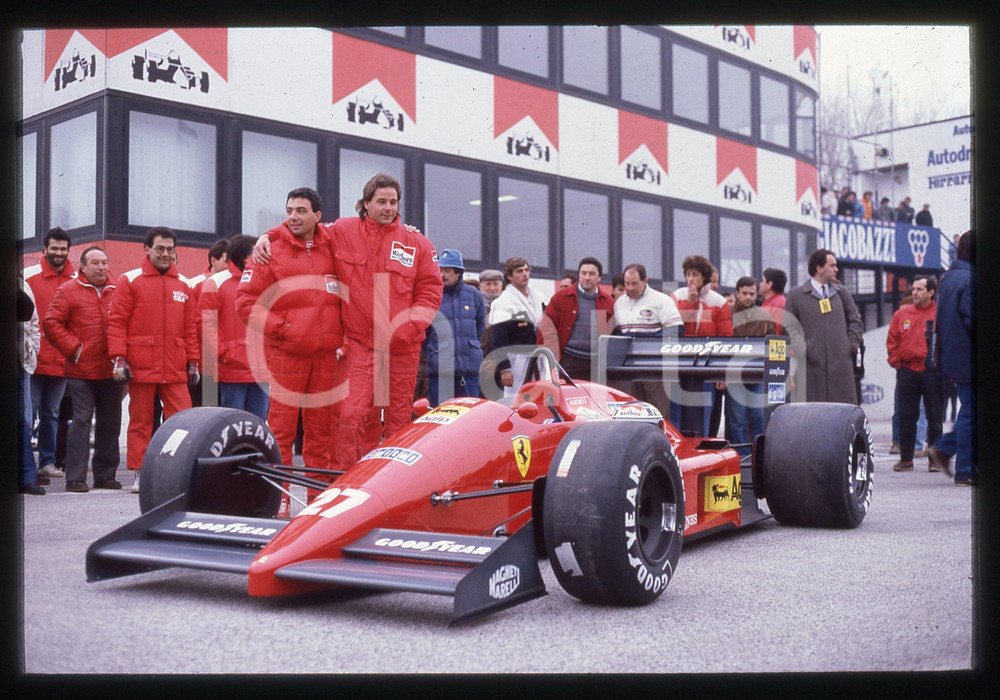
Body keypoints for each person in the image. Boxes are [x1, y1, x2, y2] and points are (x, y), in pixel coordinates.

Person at [252, 174, 442, 471]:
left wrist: (410, 328)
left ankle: (390, 486)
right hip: (360, 345)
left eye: (393, 202)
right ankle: (348, 480)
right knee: (350, 417)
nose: (388, 208)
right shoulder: (342, 230)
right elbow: (302, 224)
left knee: (396, 423)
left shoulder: (416, 242)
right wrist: (269, 235)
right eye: (381, 201)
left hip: (402, 349)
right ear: (366, 204)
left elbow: (431, 289)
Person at [238, 189, 345, 514]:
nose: (293, 216)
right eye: (289, 210)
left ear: (318, 215)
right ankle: (279, 499)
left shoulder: (333, 247)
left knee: (321, 434)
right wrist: (282, 328)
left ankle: (317, 500)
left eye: (301, 210)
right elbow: (244, 302)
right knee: (281, 430)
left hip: (327, 358)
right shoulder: (269, 251)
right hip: (287, 355)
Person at [108, 227, 200, 494]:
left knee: (182, 421)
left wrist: (193, 362)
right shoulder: (130, 280)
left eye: (170, 249)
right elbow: (117, 322)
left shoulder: (183, 283)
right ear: (146, 248)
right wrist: (119, 359)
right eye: (159, 248)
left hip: (174, 366)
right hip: (140, 365)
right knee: (141, 421)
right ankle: (140, 473)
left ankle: (179, 473)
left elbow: (190, 328)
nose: (165, 254)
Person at [43, 246, 124, 492]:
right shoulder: (68, 291)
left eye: (104, 263)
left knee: (111, 422)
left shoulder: (118, 291)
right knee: (81, 421)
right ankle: (75, 477)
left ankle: (105, 475)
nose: (101, 268)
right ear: (83, 267)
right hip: (80, 371)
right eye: (96, 263)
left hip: (111, 370)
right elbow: (51, 323)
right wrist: (75, 349)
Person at [197, 235, 269, 421]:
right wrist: (225, 353)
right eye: (256, 253)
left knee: (258, 426)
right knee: (232, 425)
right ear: (245, 257)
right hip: (232, 370)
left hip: (261, 370)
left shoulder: (265, 281)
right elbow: (205, 324)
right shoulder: (216, 282)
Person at [25, 227, 76, 483]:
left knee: (52, 414)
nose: (58, 253)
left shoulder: (76, 278)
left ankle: (47, 463)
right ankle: (24, 466)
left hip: (62, 362)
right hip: (33, 362)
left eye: (62, 249)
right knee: (28, 413)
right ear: (44, 249)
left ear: (68, 251)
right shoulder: (29, 277)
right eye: (54, 248)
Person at [782, 248, 864, 404]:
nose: (836, 269)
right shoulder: (796, 295)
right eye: (832, 265)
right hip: (810, 368)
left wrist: (850, 345)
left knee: (841, 416)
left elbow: (856, 322)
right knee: (811, 415)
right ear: (819, 268)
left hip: (841, 368)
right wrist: (804, 348)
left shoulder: (842, 293)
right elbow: (788, 326)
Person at [927, 230, 976, 485]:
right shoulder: (971, 279)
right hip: (971, 356)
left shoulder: (948, 278)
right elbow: (973, 320)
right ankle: (965, 469)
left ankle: (945, 449)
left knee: (970, 410)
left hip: (954, 355)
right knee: (971, 412)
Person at [886, 275, 943, 473]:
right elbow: (892, 340)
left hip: (932, 373)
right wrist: (897, 363)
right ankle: (906, 460)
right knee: (906, 416)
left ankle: (934, 461)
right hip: (908, 371)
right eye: (914, 289)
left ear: (931, 292)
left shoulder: (940, 313)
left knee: (934, 417)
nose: (915, 293)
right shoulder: (901, 314)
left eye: (920, 289)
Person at [671, 255, 732, 435]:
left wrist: (723, 373)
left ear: (704, 277)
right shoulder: (677, 297)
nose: (690, 279)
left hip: (707, 366)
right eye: (688, 274)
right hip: (680, 364)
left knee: (703, 413)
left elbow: (725, 338)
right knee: (677, 413)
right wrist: (689, 303)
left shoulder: (719, 302)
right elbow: (674, 327)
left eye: (695, 275)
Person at [422, 249, 486, 406]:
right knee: (441, 415)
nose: (442, 275)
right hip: (441, 370)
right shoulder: (431, 295)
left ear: (459, 273)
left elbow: (479, 328)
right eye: (440, 270)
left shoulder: (474, 296)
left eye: (447, 271)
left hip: (468, 369)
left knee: (468, 415)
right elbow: (424, 332)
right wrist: (434, 352)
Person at [538, 256, 615, 381]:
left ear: (599, 278)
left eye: (592, 274)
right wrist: (555, 361)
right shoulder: (561, 298)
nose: (587, 277)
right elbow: (547, 330)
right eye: (583, 273)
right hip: (568, 361)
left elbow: (612, 334)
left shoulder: (608, 302)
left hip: (596, 364)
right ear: (579, 275)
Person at [725, 276, 776, 457]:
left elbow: (772, 345)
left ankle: (756, 458)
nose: (748, 297)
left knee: (758, 419)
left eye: (752, 294)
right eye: (744, 293)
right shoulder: (727, 313)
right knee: (736, 422)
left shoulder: (764, 316)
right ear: (737, 293)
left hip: (757, 374)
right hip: (734, 375)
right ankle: (742, 459)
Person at [489, 256, 545, 396]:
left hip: (539, 357)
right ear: (509, 276)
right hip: (517, 361)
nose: (525, 274)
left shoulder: (537, 297)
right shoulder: (504, 302)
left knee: (541, 398)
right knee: (516, 399)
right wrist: (504, 368)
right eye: (520, 271)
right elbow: (498, 340)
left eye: (527, 270)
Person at [18, 278, 44, 495]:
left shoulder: (21, 285)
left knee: (24, 422)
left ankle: (27, 477)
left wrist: (32, 349)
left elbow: (33, 321)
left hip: (19, 365)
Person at [759, 267, 787, 335]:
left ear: (769, 285)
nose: (760, 284)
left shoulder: (779, 304)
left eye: (762, 281)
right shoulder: (769, 302)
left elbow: (776, 332)